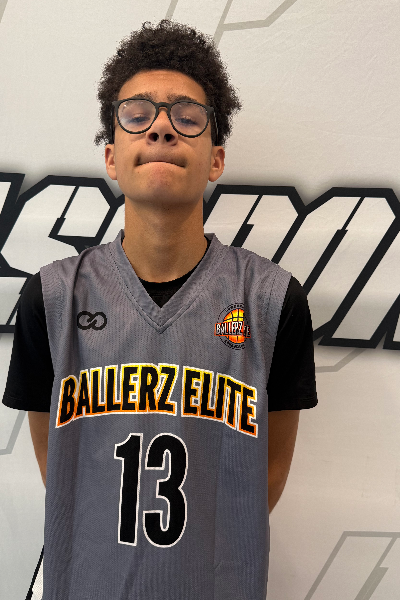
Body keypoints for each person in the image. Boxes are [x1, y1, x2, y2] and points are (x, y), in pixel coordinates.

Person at [2, 19, 317, 600]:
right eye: (137, 114)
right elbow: (59, 461)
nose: (163, 128)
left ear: (215, 158)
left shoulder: (273, 300)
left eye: (188, 116)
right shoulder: (51, 297)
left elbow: (264, 477)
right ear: (112, 156)